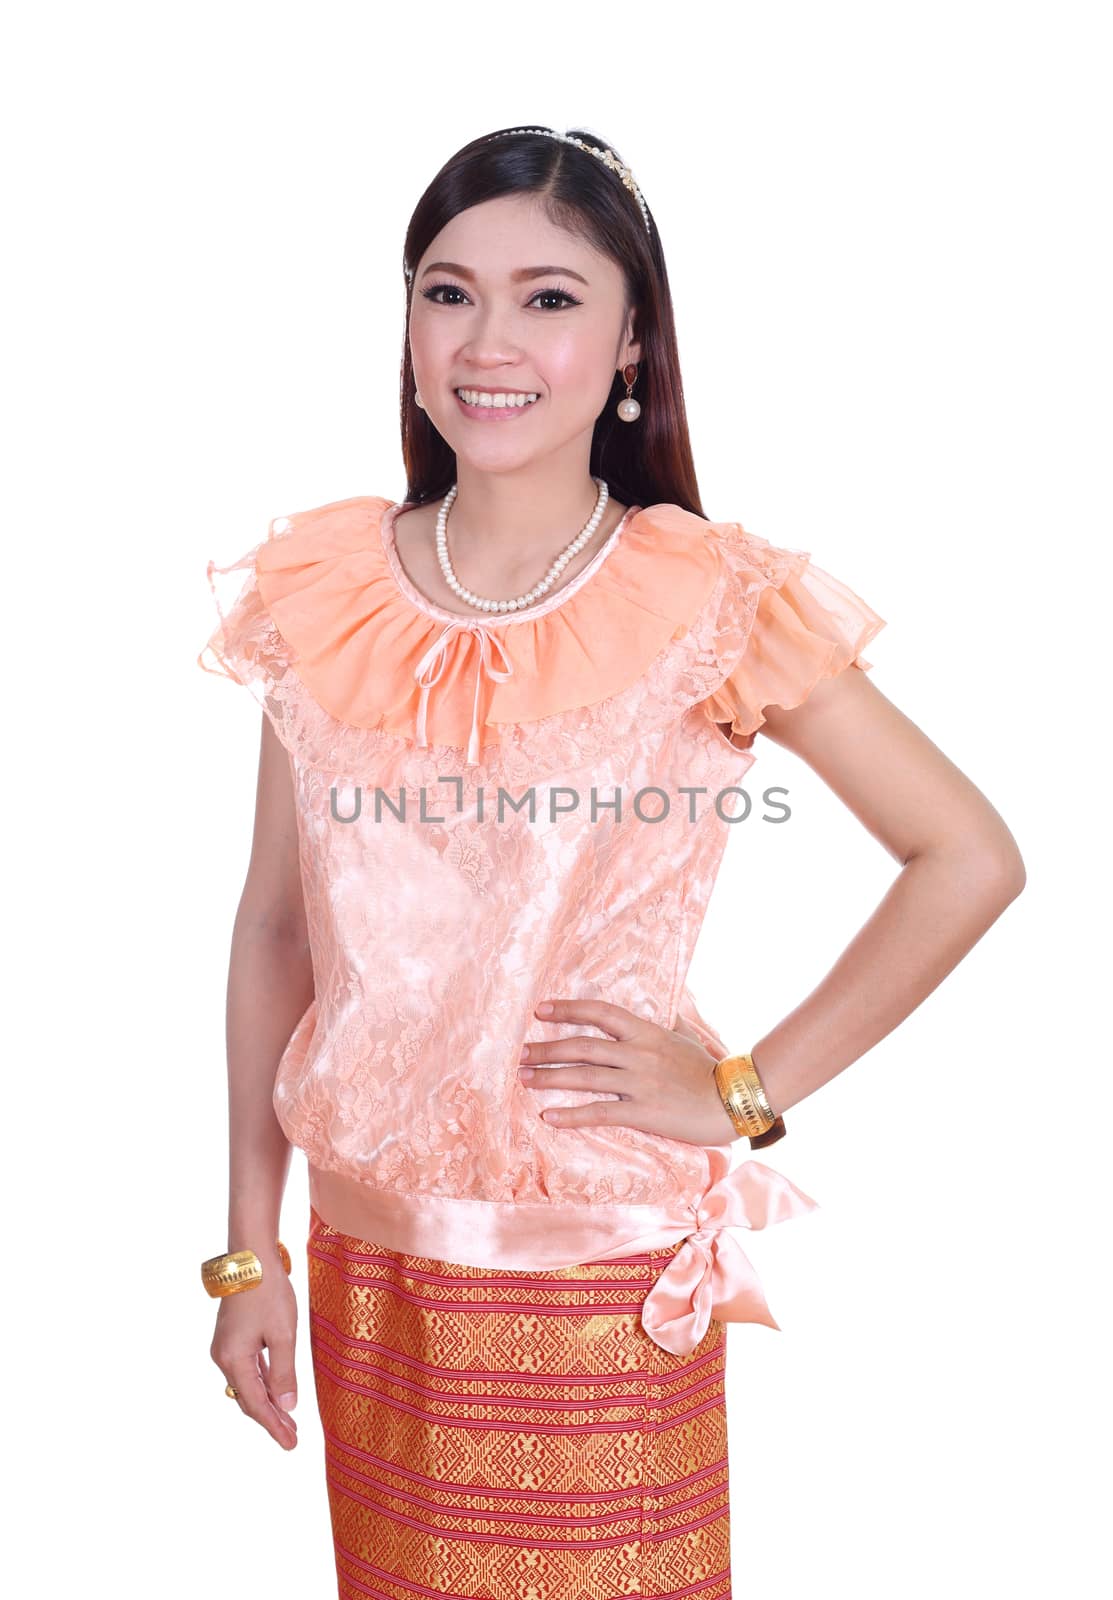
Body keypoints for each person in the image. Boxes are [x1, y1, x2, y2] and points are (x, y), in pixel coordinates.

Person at [196, 125, 1025, 1599]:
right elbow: (277, 933)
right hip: (369, 1269)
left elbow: (962, 854)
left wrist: (739, 1091)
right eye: (446, 294)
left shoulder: (706, 599)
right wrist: (245, 1252)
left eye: (550, 298)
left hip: (594, 1277)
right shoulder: (326, 590)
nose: (488, 342)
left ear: (632, 333)